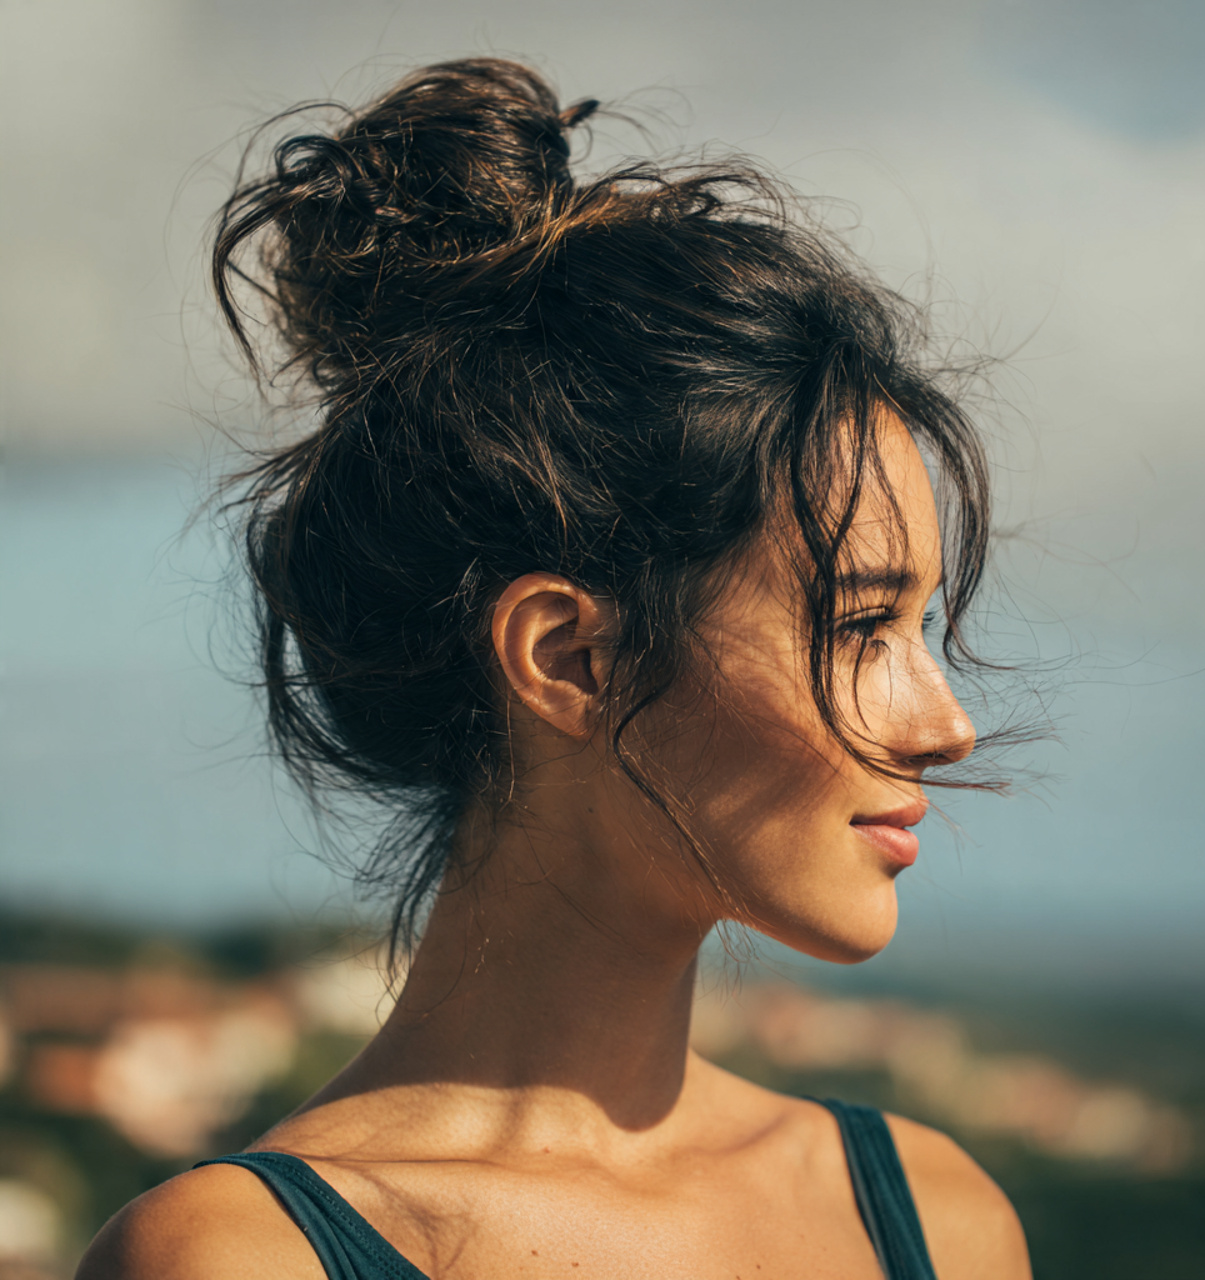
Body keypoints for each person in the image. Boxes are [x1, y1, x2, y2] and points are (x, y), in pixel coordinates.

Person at [78, 58, 1032, 1280]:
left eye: (923, 633)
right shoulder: (239, 1259)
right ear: (569, 657)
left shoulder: (939, 1220)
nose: (946, 725)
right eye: (858, 629)